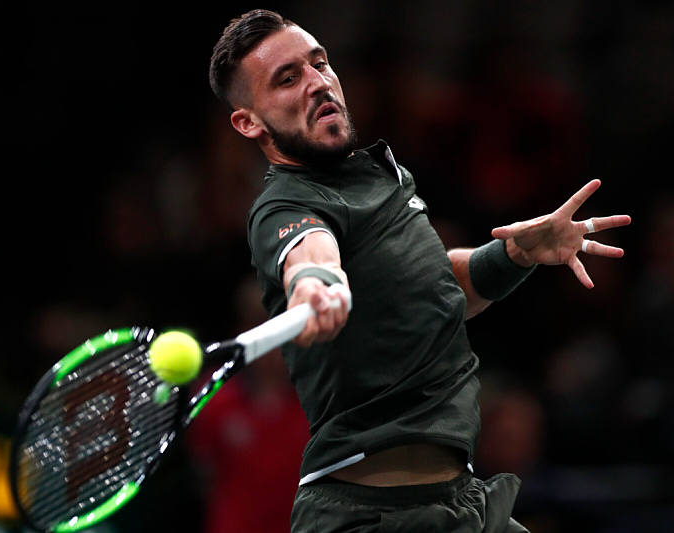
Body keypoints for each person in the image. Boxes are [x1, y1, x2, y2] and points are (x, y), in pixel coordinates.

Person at [208, 9, 631, 533]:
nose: (317, 83)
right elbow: (310, 255)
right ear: (249, 120)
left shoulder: (383, 176)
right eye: (288, 79)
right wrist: (317, 285)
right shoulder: (285, 205)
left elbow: (433, 289)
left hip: (460, 504)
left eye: (319, 64)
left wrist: (515, 255)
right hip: (369, 518)